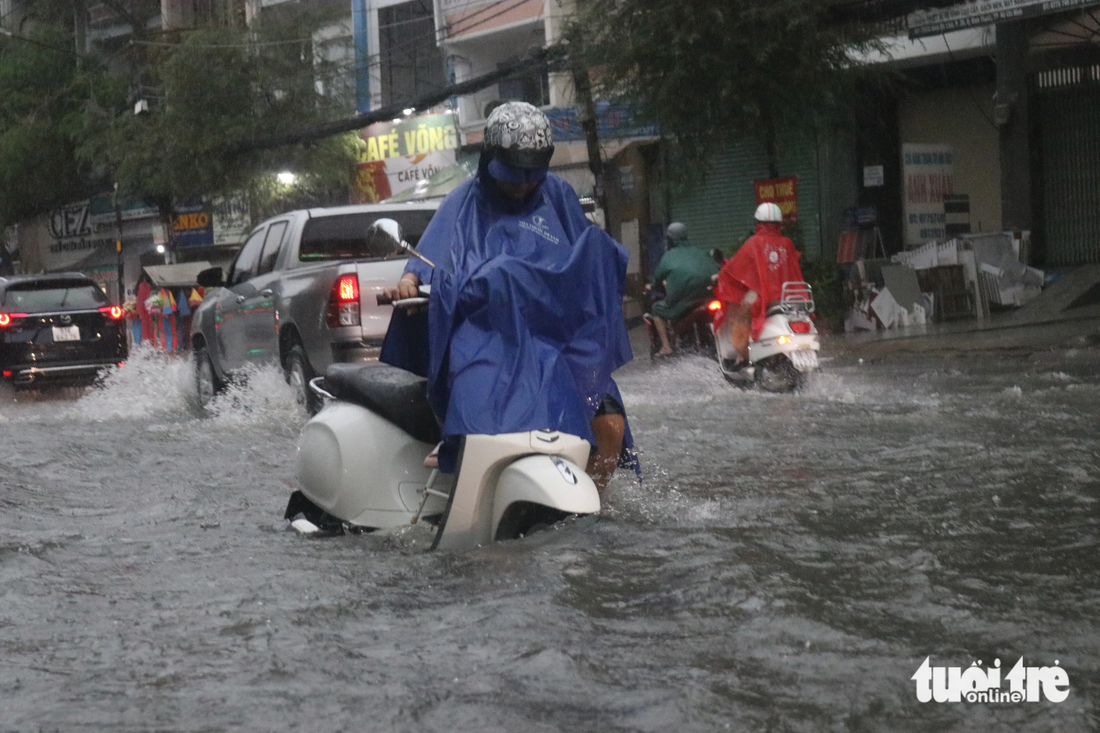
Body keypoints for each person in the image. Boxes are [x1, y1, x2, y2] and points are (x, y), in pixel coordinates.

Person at [382, 101, 635, 492]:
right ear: (490, 159)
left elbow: (587, 256)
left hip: (557, 344)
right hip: (488, 342)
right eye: (513, 176)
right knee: (477, 424)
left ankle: (591, 500)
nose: (521, 186)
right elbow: (428, 259)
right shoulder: (462, 203)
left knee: (610, 428)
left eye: (530, 177)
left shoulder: (559, 196)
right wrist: (411, 280)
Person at [715, 202, 805, 364]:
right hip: (788, 296)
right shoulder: (787, 243)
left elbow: (736, 267)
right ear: (779, 223)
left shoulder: (754, 242)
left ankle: (742, 354)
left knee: (740, 314)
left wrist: (724, 270)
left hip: (761, 294)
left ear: (758, 222)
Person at [645, 222, 720, 356]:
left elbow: (657, 279)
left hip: (683, 302)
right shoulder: (700, 252)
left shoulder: (669, 256)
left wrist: (653, 285)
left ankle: (666, 347)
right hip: (709, 296)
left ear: (670, 239)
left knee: (656, 309)